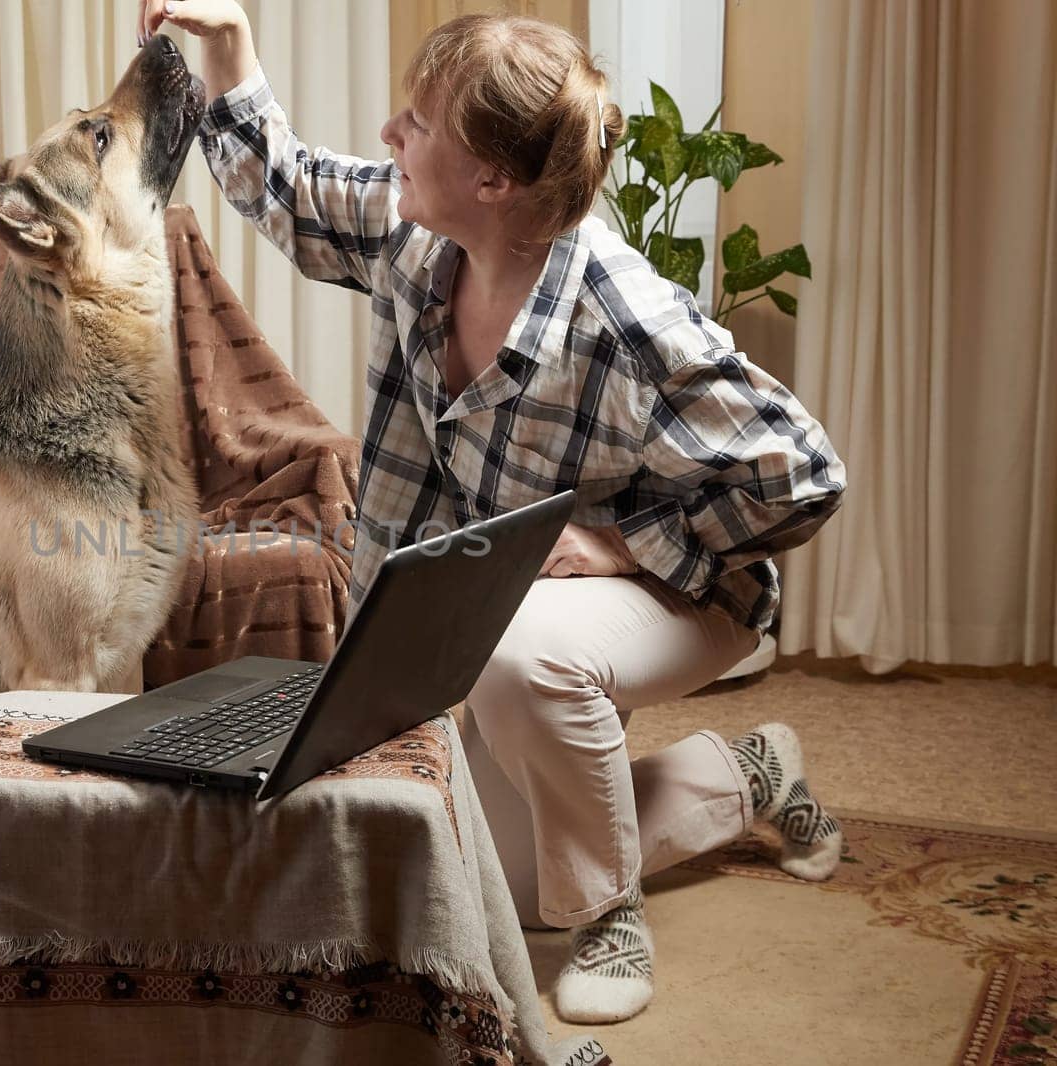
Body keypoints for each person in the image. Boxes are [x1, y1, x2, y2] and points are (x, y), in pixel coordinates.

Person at [137, 0, 847, 1024]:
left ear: (492, 180)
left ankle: (610, 914)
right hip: (511, 602)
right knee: (481, 882)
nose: (389, 134)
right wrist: (231, 45)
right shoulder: (418, 237)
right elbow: (289, 194)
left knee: (525, 666)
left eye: (415, 123)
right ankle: (749, 772)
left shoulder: (622, 318)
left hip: (681, 593)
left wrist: (618, 545)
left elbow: (804, 473)